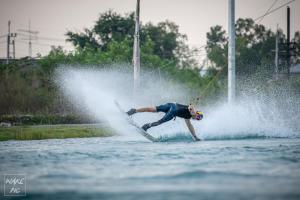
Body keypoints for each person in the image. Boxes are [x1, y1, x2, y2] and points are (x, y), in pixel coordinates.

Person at [126, 103, 203, 141]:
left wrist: (195, 137)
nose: (197, 118)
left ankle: (133, 111)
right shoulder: (192, 111)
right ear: (197, 113)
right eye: (198, 116)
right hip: (173, 110)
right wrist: (192, 110)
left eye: (198, 119)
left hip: (172, 104)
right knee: (159, 121)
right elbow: (191, 106)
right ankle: (145, 126)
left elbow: (190, 126)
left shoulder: (188, 117)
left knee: (152, 109)